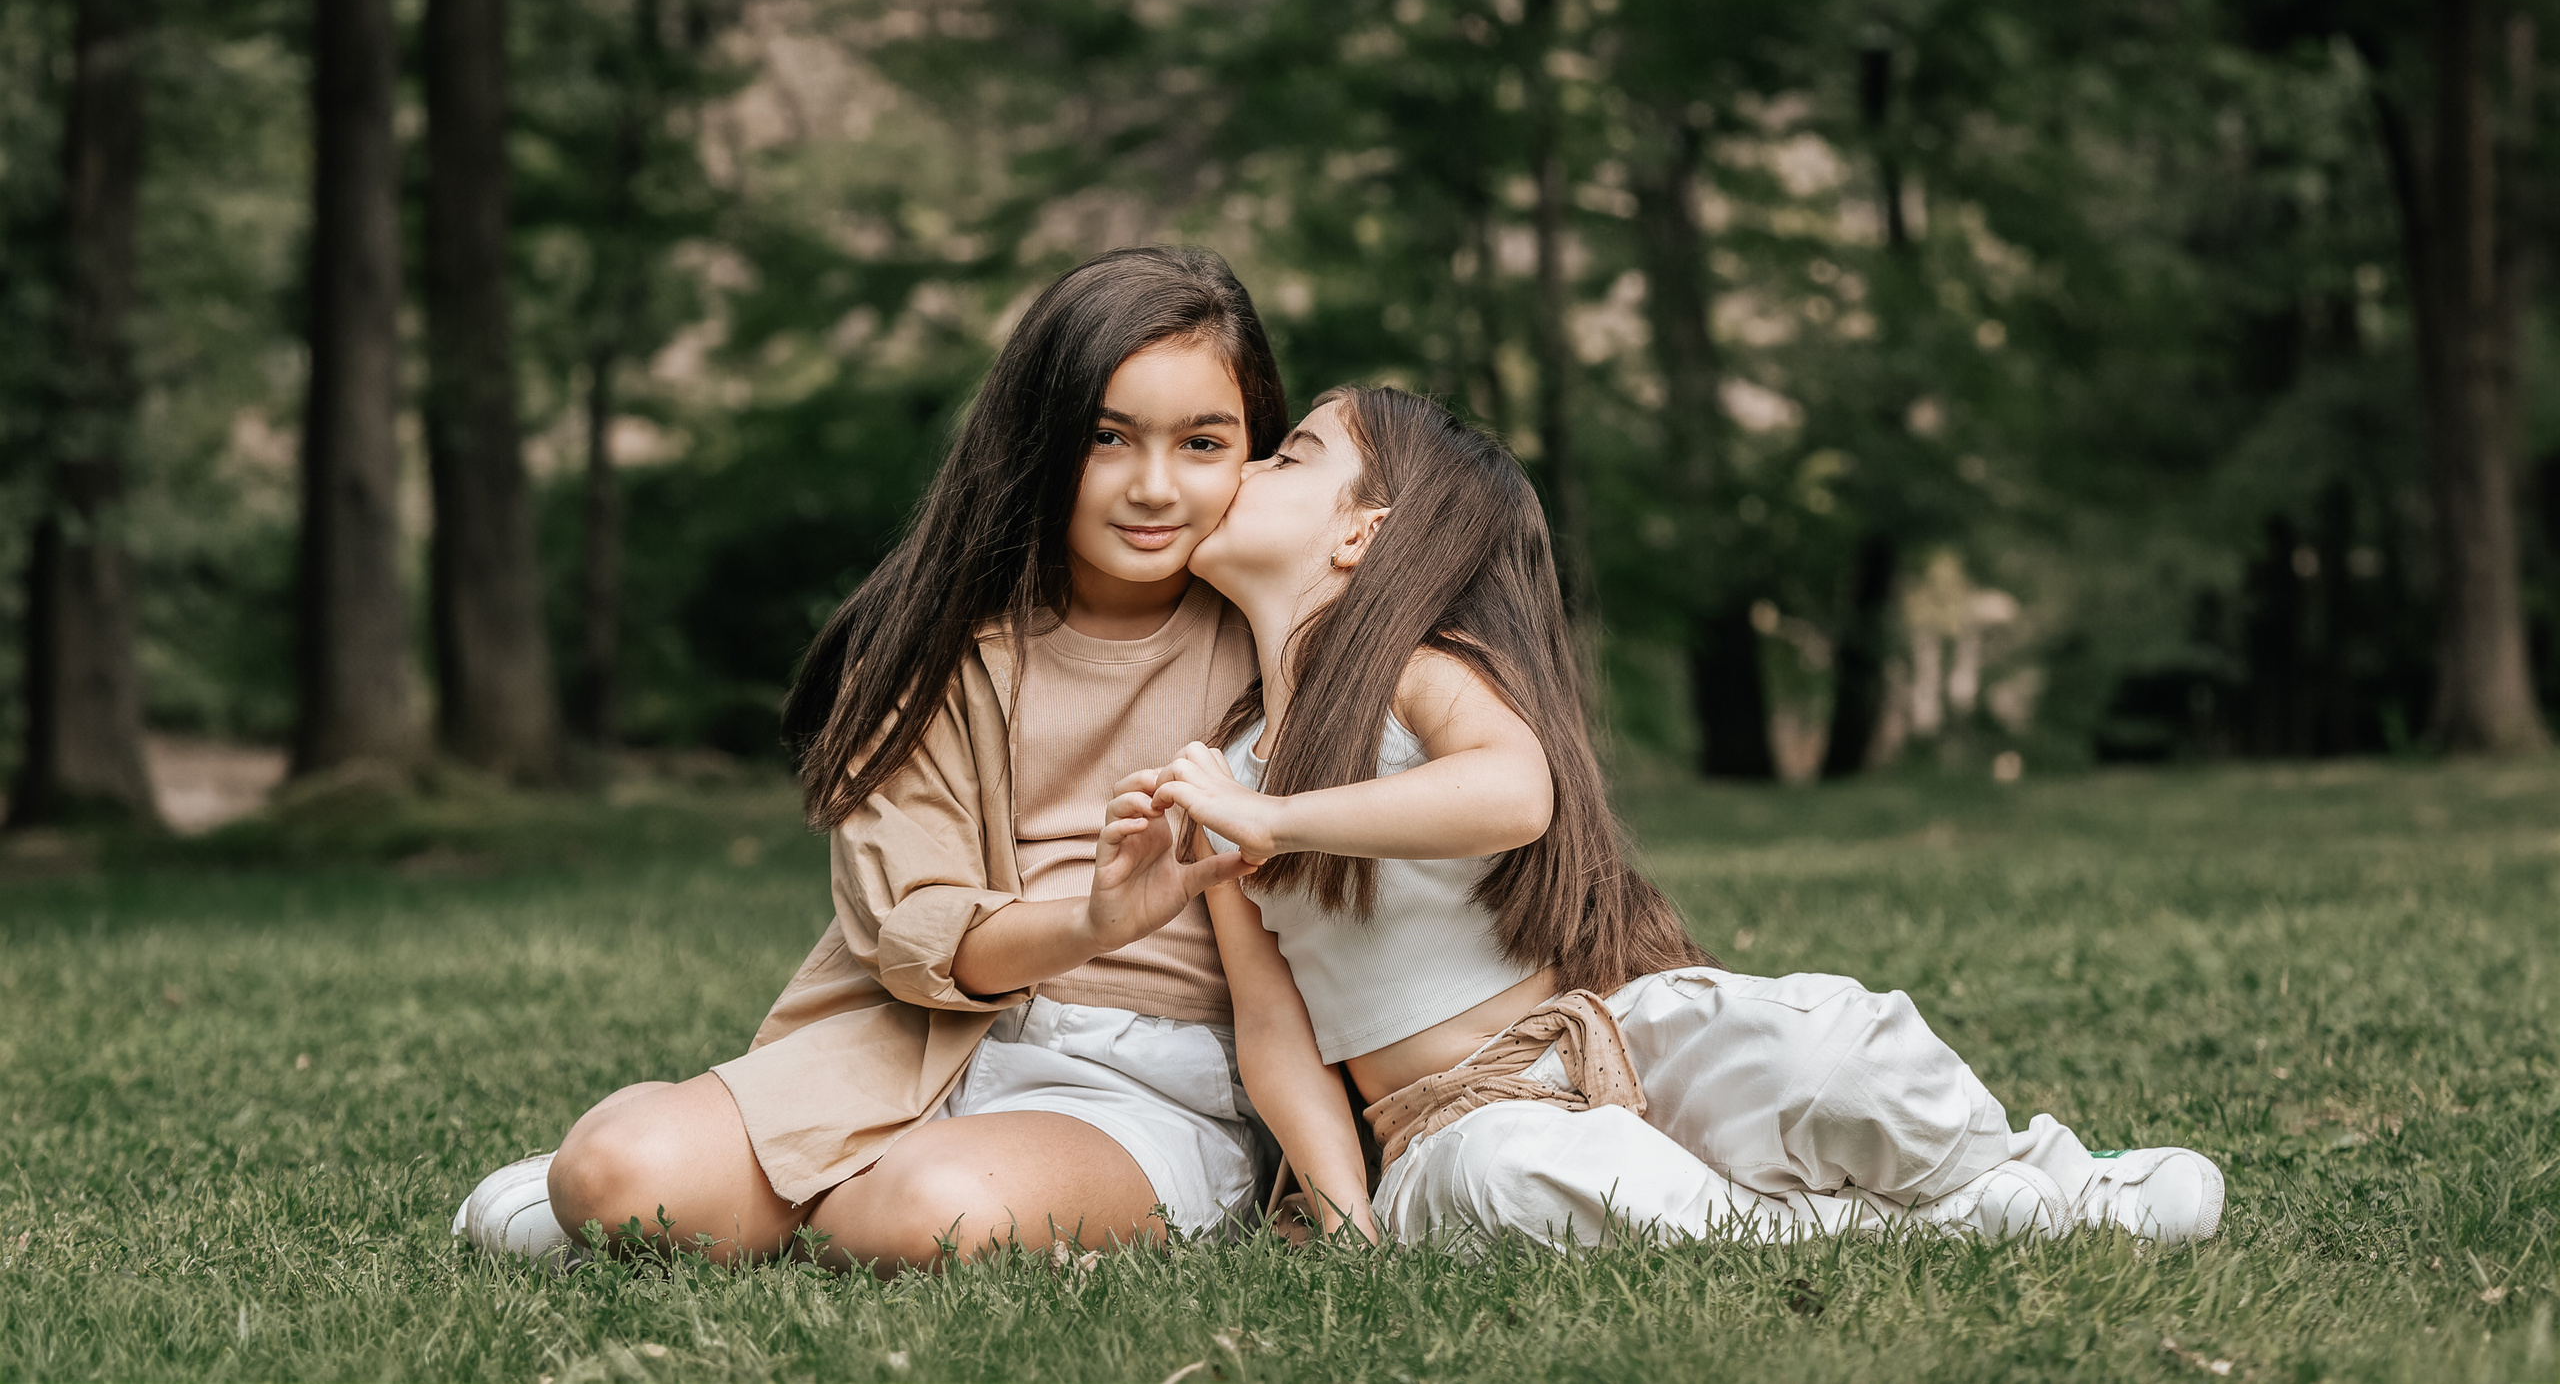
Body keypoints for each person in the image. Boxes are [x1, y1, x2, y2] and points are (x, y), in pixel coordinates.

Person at [1145, 385, 2225, 1249]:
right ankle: (1873, 1234)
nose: (1240, 468)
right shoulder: (1223, 778)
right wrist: (1348, 1218)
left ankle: (2040, 1183)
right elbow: (1274, 1031)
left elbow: (1513, 795)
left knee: (1829, 1048)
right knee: (1516, 1181)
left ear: (1360, 535)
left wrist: (1277, 822)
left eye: (1287, 455)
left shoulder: (1414, 681)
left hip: (1612, 1031)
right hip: (1446, 1122)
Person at [454, 247, 1289, 1274]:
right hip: (913, 1042)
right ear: (1040, 440)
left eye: (1202, 442)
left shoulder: (1288, 643)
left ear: (1259, 451)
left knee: (930, 1213)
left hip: (1151, 1086)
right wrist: (1090, 921)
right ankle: (703, 1198)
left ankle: (785, 1211)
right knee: (615, 1174)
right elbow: (917, 930)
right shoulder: (940, 648)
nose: (1153, 487)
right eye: (1106, 438)